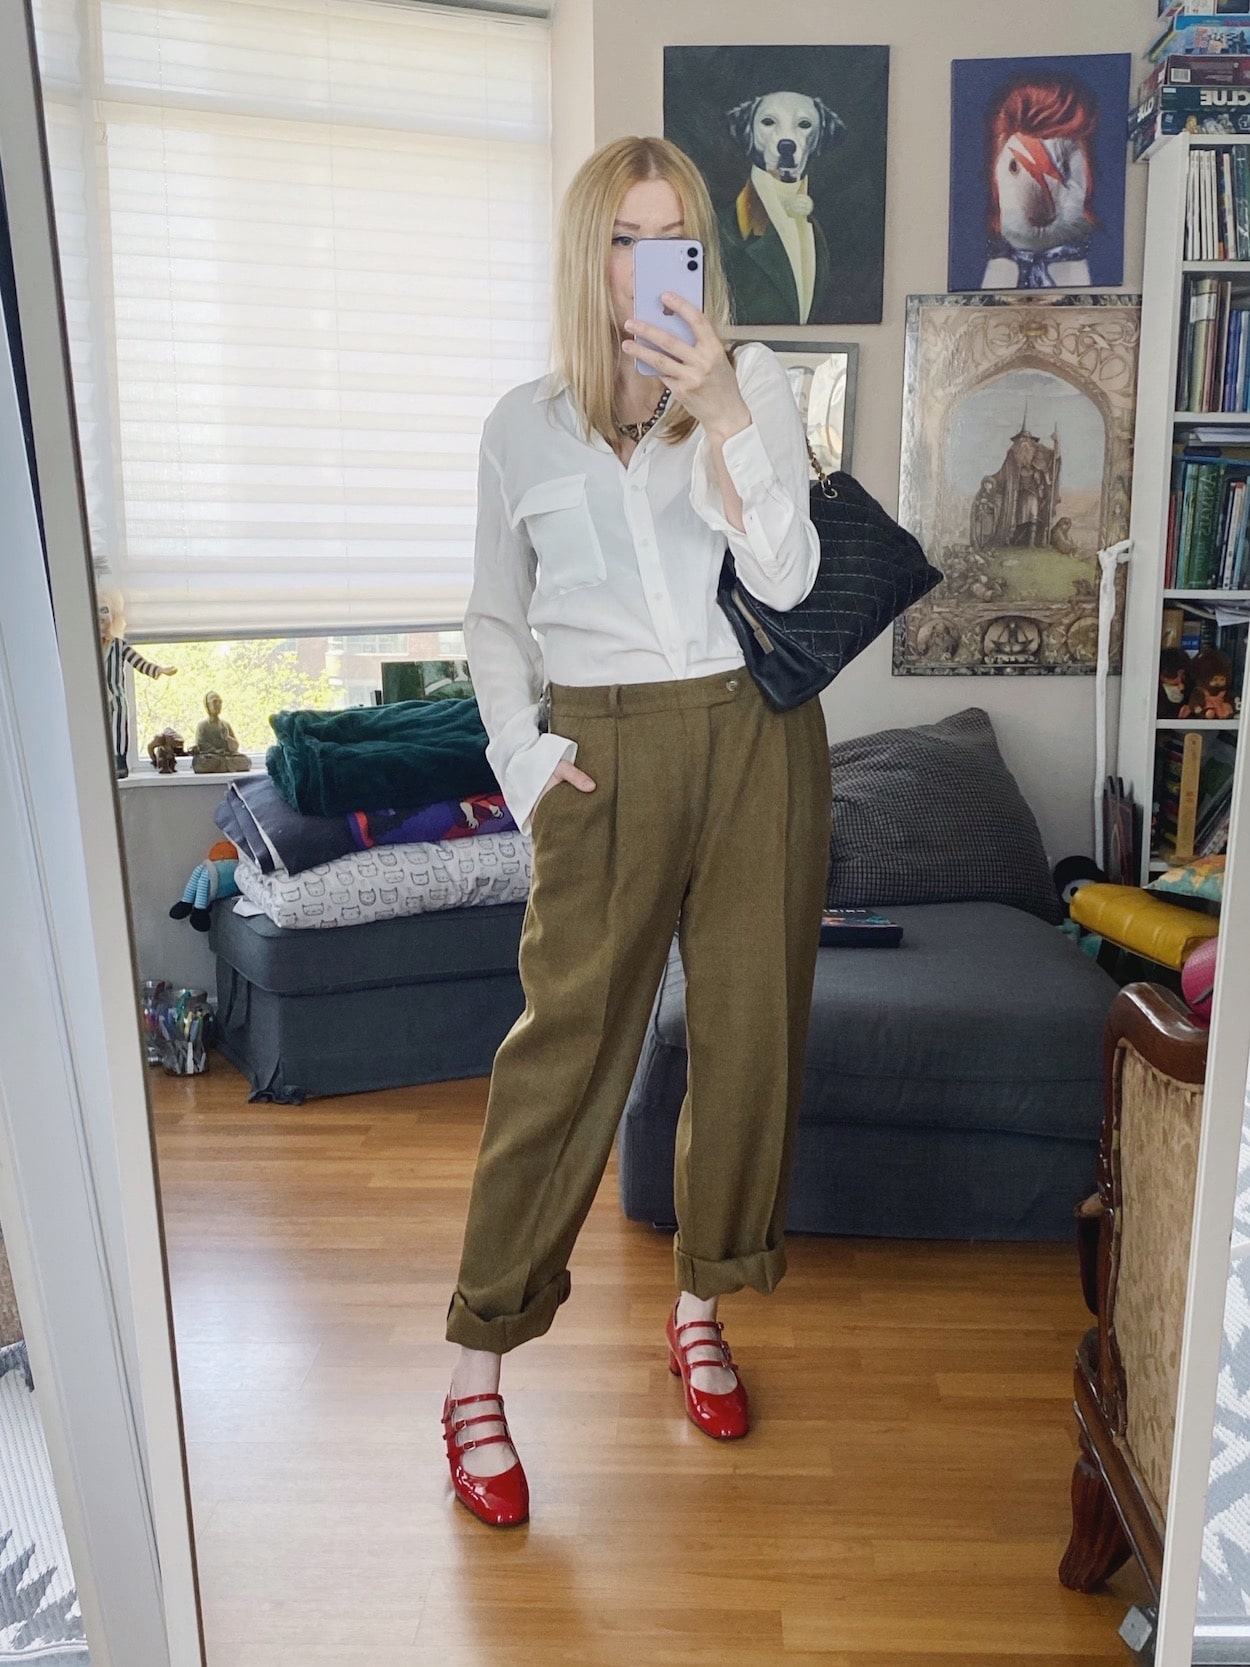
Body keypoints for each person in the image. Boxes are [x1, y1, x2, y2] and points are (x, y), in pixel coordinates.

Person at [442, 135, 832, 1528]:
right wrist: (526, 753)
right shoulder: (519, 425)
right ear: (585, 253)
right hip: (598, 752)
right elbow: (494, 621)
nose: (647, 265)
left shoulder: (753, 387)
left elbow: (786, 571)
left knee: (747, 1039)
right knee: (561, 1056)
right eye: (625, 237)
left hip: (752, 735)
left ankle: (700, 1306)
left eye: (672, 239)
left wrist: (723, 406)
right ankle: (474, 1367)